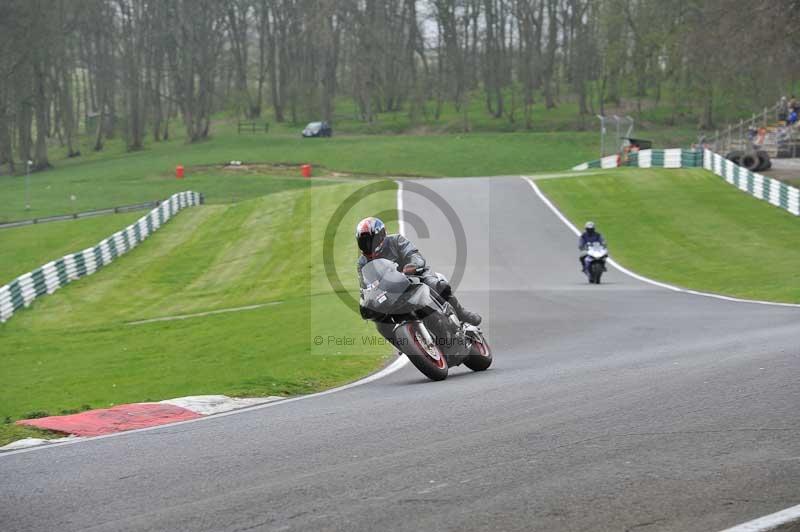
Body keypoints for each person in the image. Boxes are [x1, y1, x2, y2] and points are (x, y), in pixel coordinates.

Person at [356, 216, 482, 326]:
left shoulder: (396, 241)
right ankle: (404, 340)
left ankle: (461, 313)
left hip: (413, 278)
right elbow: (365, 287)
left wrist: (412, 266)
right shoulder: (362, 263)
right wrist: (367, 301)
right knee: (381, 323)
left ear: (381, 235)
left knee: (438, 285)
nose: (368, 245)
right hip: (390, 294)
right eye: (364, 242)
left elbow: (414, 255)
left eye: (371, 240)